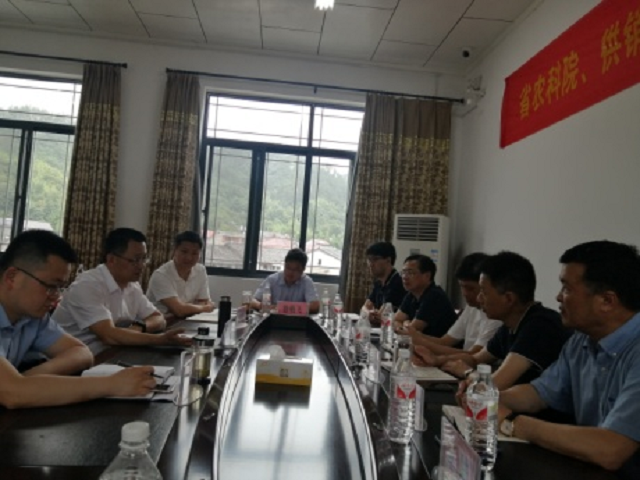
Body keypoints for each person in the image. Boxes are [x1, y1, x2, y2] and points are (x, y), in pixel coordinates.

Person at [497, 241, 640, 476]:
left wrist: (513, 423)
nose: (558, 297)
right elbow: (539, 394)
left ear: (607, 301)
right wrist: (490, 398)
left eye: (567, 289)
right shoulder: (580, 340)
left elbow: (611, 450)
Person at [0, 230, 156, 409]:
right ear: (12, 277)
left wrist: (27, 380)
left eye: (60, 287)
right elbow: (13, 393)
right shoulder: (34, 310)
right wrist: (112, 384)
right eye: (51, 286)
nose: (57, 297)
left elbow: (81, 353)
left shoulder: (33, 317)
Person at [417, 251, 571, 390]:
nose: (479, 298)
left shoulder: (539, 326)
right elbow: (475, 358)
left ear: (508, 298)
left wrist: (467, 372)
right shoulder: (510, 325)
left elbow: (494, 385)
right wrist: (436, 360)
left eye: (484, 292)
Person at [53, 228, 190, 354]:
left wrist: (139, 327)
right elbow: (109, 336)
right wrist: (160, 340)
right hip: (76, 360)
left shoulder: (132, 285)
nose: (141, 266)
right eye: (135, 260)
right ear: (111, 259)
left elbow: (158, 318)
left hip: (114, 352)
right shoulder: (87, 286)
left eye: (144, 259)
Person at [407, 252, 501, 356]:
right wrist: (416, 336)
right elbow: (445, 341)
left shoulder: (496, 316)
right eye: (461, 286)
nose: (464, 293)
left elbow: (474, 356)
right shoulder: (471, 307)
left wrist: (420, 341)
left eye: (470, 288)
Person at [147, 231, 215, 318]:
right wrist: (205, 308)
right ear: (174, 250)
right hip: (161, 322)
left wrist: (189, 309)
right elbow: (179, 310)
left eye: (195, 253)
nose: (189, 258)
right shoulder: (161, 275)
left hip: (187, 320)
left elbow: (204, 301)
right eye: (184, 252)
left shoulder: (200, 270)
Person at [393, 254, 456, 337]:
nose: (405, 277)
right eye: (403, 272)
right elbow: (396, 320)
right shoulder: (411, 294)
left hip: (437, 344)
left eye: (410, 273)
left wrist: (405, 324)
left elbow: (412, 331)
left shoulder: (435, 296)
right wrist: (405, 324)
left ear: (427, 276)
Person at [252, 248, 320, 314]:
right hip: (274, 319)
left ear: (303, 269)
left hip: (297, 320)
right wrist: (262, 306)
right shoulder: (272, 279)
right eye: (288, 268)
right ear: (284, 265)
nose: (290, 272)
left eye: (295, 270)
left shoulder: (306, 281)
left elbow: (315, 306)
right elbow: (253, 301)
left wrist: (285, 308)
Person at [361, 241, 406, 326]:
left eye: (375, 259)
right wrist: (368, 313)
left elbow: (382, 314)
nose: (371, 264)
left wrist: (371, 314)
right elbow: (364, 307)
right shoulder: (378, 282)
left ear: (388, 260)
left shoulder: (398, 282)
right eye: (369, 260)